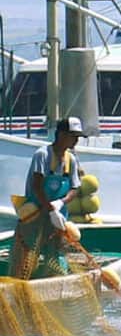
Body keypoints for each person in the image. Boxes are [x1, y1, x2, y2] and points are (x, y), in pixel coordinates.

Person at [10, 116, 84, 279]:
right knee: (25, 256)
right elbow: (37, 185)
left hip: (57, 218)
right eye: (74, 136)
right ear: (62, 135)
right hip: (34, 217)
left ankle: (55, 284)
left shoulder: (70, 159)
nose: (76, 141)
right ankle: (18, 286)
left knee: (56, 254)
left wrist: (60, 203)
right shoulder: (42, 155)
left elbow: (75, 188)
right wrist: (50, 209)